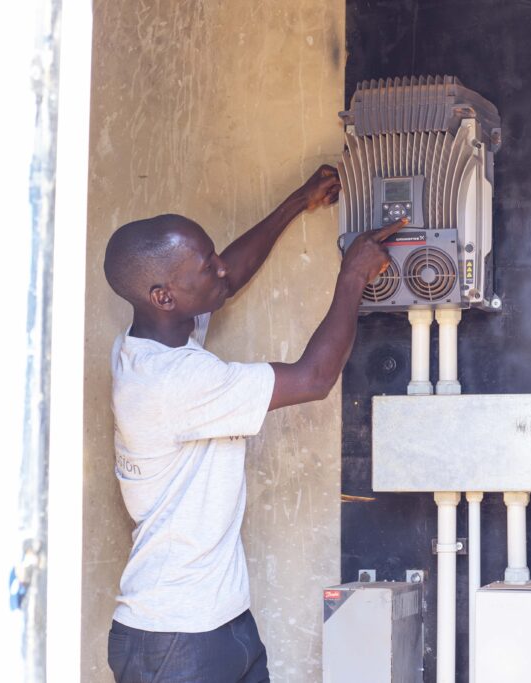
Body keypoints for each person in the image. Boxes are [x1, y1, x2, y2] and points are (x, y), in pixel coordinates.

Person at [102, 164, 406, 683]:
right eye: (206, 266)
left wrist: (298, 200)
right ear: (164, 296)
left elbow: (230, 277)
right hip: (175, 642)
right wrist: (352, 276)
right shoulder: (175, 380)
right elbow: (314, 378)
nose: (220, 270)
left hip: (220, 624)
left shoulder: (153, 336)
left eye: (214, 255)